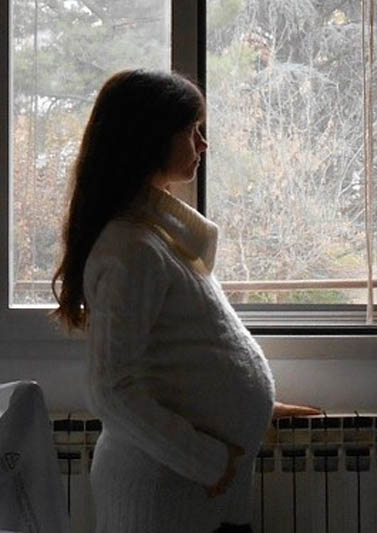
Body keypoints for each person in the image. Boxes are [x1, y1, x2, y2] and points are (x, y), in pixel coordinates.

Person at [51, 69, 320, 532]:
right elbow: (113, 391)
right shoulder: (130, 249)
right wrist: (211, 461)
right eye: (192, 131)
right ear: (152, 138)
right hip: (163, 492)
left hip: (189, 490)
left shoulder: (155, 239)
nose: (203, 144)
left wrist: (249, 409)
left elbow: (176, 353)